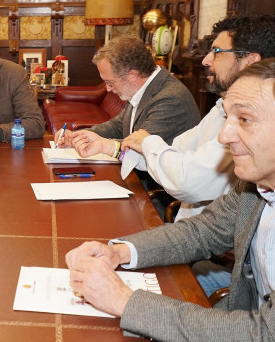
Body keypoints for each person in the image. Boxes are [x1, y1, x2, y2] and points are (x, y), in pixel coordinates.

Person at [65, 59, 275, 341]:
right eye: (227, 119)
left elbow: (262, 332)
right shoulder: (253, 184)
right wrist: (119, 251)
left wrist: (124, 301)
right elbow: (202, 231)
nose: (224, 136)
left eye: (245, 120)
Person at [122, 14, 275, 222]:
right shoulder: (220, 107)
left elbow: (187, 181)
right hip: (186, 229)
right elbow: (177, 149)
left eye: (217, 52)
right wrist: (118, 148)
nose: (205, 60)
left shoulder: (254, 128)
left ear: (250, 61)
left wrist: (147, 142)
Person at [53, 35, 200, 160]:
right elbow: (118, 126)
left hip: (150, 188)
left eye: (110, 82)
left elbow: (139, 149)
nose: (108, 89)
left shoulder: (170, 100)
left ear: (133, 75)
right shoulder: (140, 89)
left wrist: (102, 145)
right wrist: (80, 136)